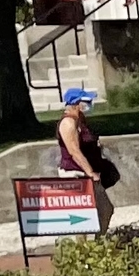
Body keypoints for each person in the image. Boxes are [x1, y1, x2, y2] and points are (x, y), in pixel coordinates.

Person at [55, 87, 117, 225]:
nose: (90, 104)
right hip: (75, 173)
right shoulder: (68, 123)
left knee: (105, 210)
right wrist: (90, 173)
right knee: (80, 215)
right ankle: (82, 245)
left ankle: (97, 243)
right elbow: (74, 151)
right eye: (86, 101)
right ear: (77, 104)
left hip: (86, 172)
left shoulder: (80, 120)